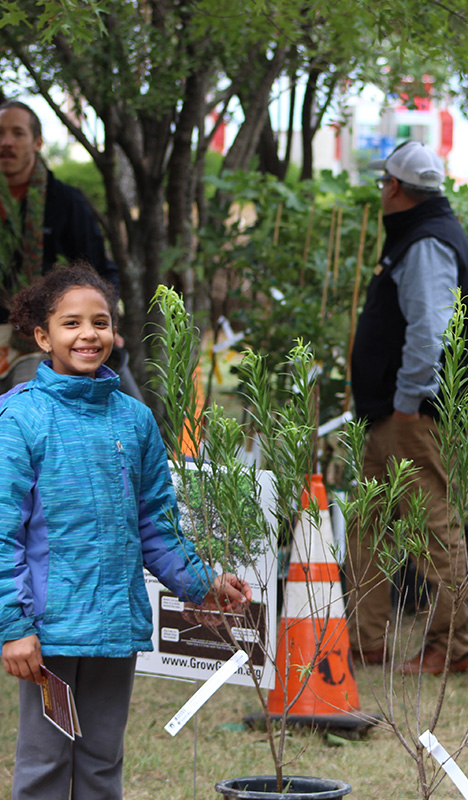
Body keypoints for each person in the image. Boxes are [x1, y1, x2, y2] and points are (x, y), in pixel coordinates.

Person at [0, 263, 250, 799]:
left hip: (115, 628)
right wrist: (13, 625)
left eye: (101, 322)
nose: (88, 334)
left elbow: (156, 525)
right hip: (49, 632)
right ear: (43, 336)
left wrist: (204, 581)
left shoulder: (134, 420)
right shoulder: (18, 418)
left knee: (101, 762)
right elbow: (3, 534)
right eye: (71, 324)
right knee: (44, 764)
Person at [347, 141, 468, 676]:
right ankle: (364, 641)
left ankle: (450, 648)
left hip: (413, 414)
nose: (382, 192)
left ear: (395, 188)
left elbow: (430, 331)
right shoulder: (421, 236)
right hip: (392, 414)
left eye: (383, 184)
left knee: (432, 529)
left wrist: (406, 402)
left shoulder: (425, 242)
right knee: (369, 528)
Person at [0, 100, 134, 393]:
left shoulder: (65, 202)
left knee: (34, 400)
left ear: (37, 142)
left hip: (43, 339)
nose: (5, 142)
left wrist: (104, 322)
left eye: (17, 133)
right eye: (0, 133)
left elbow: (99, 271)